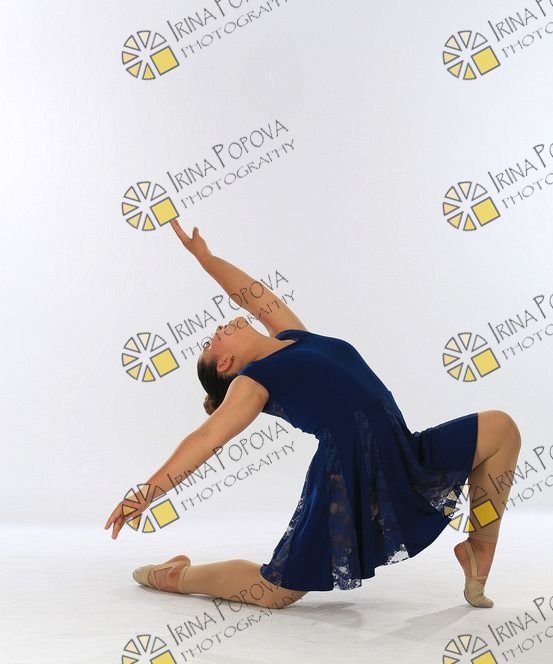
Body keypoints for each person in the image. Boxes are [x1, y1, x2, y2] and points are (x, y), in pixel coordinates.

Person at [105, 221, 521, 610]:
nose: (215, 331)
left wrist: (206, 258)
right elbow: (204, 440)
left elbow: (251, 294)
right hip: (346, 474)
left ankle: (479, 547)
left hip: (400, 451)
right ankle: (176, 576)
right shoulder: (252, 383)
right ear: (227, 364)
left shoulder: (295, 337)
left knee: (501, 429)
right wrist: (148, 492)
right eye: (210, 344)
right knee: (276, 591)